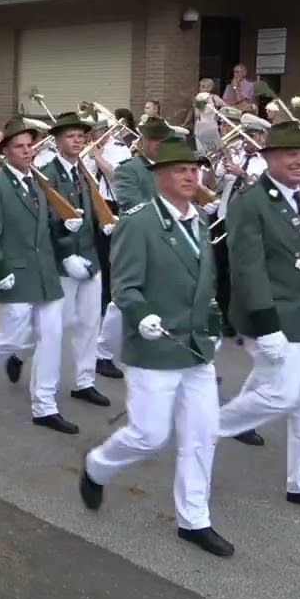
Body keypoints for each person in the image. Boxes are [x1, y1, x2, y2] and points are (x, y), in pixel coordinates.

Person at [80, 136, 230, 557]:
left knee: (202, 433)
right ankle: (97, 466)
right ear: (159, 176)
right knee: (148, 435)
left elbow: (209, 284)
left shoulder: (198, 219)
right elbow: (124, 285)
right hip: (155, 342)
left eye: (194, 169)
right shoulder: (139, 221)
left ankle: (194, 519)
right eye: (181, 169)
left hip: (196, 345)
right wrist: (141, 313)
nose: (190, 176)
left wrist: (214, 322)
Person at [218, 119, 300, 519]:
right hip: (275, 313)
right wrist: (266, 324)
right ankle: (206, 425)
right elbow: (247, 269)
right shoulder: (251, 202)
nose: (299, 161)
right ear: (268, 158)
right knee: (284, 393)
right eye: (289, 154)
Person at [0, 116, 81, 435]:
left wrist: (65, 230)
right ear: (6, 152)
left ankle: (45, 406)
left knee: (52, 336)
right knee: (12, 339)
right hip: (14, 275)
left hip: (45, 275)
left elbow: (46, 227)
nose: (28, 151)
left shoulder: (39, 183)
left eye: (30, 145)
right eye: (20, 147)